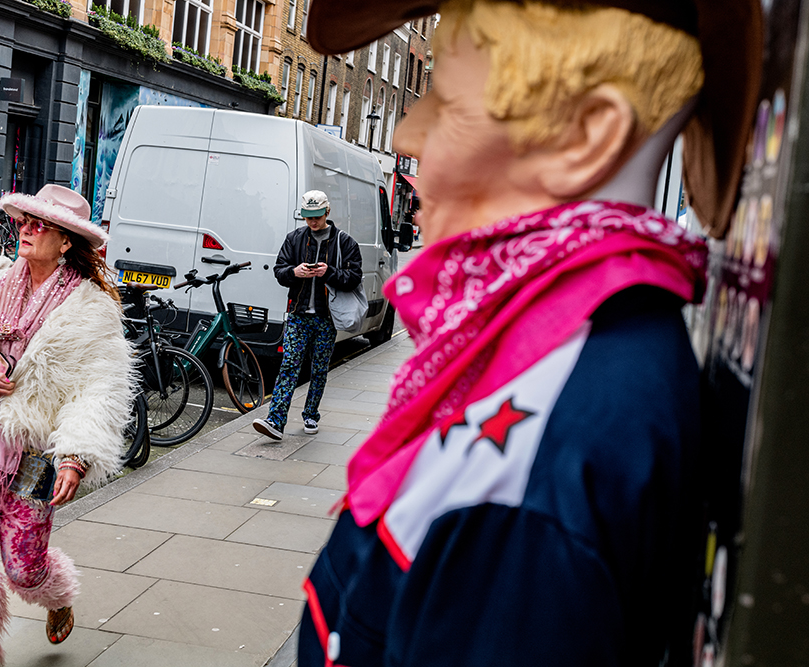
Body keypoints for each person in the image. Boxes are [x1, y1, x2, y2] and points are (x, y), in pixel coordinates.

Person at [297, 0, 760, 664]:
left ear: (586, 138)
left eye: (446, 101)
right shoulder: (570, 342)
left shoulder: (542, 449)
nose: (406, 135)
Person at [0, 183, 134, 667]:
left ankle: (56, 596)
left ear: (65, 242)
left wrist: (77, 455)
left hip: (31, 450)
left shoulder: (90, 309)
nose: (27, 231)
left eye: (41, 225)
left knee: (22, 567)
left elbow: (99, 389)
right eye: (24, 222)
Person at [253, 190, 362, 439]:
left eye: (316, 216)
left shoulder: (345, 242)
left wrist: (329, 272)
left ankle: (311, 414)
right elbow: (280, 271)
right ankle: (275, 421)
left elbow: (354, 277)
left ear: (327, 212)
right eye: (308, 217)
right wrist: (295, 272)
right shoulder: (295, 239)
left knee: (319, 368)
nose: (312, 222)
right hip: (298, 314)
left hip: (326, 318)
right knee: (290, 365)